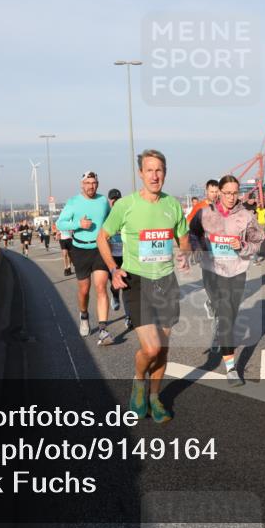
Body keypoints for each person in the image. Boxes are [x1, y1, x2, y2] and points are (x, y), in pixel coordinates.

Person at [98, 149, 190, 423]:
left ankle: (155, 397)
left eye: (159, 170)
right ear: (141, 173)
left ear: (165, 172)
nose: (154, 175)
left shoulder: (172, 205)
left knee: (162, 348)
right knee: (150, 348)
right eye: (149, 170)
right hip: (136, 280)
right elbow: (102, 237)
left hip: (166, 281)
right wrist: (113, 269)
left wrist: (184, 252)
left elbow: (183, 238)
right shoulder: (125, 205)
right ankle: (139, 380)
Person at [189, 175, 265, 386]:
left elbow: (258, 241)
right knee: (225, 315)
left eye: (235, 193)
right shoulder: (205, 213)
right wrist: (196, 248)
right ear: (219, 193)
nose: (231, 197)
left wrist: (243, 247)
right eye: (227, 193)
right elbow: (192, 233)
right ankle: (231, 367)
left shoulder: (246, 216)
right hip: (212, 270)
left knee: (229, 315)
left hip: (236, 271)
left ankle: (215, 312)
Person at [56, 171, 113, 344]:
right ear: (82, 185)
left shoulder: (103, 201)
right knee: (84, 290)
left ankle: (103, 329)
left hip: (100, 249)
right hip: (80, 249)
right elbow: (60, 223)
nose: (91, 186)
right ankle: (84, 315)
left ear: (98, 183)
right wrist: (78, 224)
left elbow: (111, 221)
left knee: (101, 286)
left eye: (94, 182)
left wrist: (111, 233)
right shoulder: (73, 202)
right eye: (87, 183)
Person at [187, 180, 220, 319]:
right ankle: (212, 302)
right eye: (211, 191)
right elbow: (189, 223)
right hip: (204, 247)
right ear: (206, 191)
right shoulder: (199, 207)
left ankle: (215, 303)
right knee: (209, 278)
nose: (214, 194)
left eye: (216, 191)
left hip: (219, 247)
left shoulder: (221, 206)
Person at [105, 188, 131, 330]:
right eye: (113, 199)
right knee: (116, 285)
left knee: (127, 287)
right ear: (109, 201)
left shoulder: (126, 213)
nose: (115, 201)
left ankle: (129, 317)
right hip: (112, 257)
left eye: (117, 199)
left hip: (126, 256)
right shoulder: (106, 215)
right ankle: (115, 296)